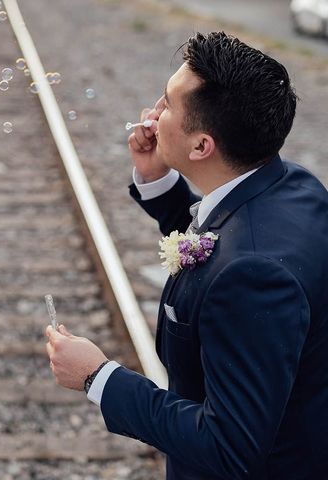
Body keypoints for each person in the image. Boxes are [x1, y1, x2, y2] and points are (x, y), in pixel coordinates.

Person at [45, 32, 328, 479]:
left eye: (168, 104)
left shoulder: (253, 278)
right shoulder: (294, 185)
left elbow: (228, 448)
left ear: (201, 147)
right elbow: (225, 237)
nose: (153, 114)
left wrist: (97, 377)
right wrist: (156, 179)